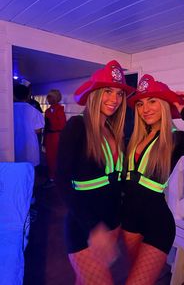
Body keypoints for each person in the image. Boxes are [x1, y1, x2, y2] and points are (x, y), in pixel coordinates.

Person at [121, 74, 184, 285]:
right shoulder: (134, 137)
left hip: (157, 223)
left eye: (152, 101)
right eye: (141, 104)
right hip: (128, 220)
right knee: (134, 272)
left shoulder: (175, 137)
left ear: (164, 105)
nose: (146, 109)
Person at [56, 60, 134, 285]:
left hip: (112, 223)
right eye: (108, 91)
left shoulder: (112, 129)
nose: (115, 99)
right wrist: (93, 227)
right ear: (95, 93)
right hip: (85, 226)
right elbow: (62, 180)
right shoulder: (77, 126)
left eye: (120, 93)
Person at [13, 84, 45, 167]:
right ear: (27, 96)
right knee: (28, 174)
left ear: (13, 95)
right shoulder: (34, 111)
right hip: (29, 147)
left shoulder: (8, 109)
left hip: (12, 146)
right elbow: (38, 130)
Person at [43, 89, 66, 188]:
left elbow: (62, 125)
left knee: (54, 157)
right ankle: (52, 177)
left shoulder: (59, 110)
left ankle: (55, 178)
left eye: (50, 97)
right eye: (48, 97)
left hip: (56, 136)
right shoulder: (48, 110)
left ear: (56, 98)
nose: (48, 99)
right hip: (49, 136)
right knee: (49, 157)